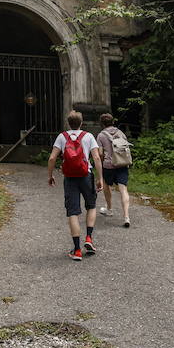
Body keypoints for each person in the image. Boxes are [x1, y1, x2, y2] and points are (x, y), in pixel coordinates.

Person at [47, 110, 103, 261]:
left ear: (68, 123)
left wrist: (50, 175)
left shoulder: (62, 136)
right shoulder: (88, 136)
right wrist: (100, 178)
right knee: (91, 206)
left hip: (70, 178)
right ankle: (89, 238)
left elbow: (52, 158)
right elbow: (96, 157)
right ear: (81, 122)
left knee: (73, 212)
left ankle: (77, 250)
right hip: (86, 175)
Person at [96, 113, 132, 228]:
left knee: (107, 186)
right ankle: (126, 216)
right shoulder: (120, 132)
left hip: (109, 165)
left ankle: (109, 209)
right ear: (113, 121)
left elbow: (100, 153)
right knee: (123, 190)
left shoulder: (101, 136)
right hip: (121, 164)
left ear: (102, 123)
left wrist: (102, 162)